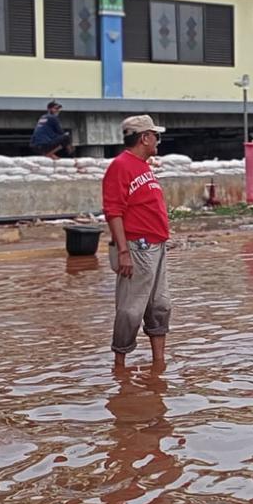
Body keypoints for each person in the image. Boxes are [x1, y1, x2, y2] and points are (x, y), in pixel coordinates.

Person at [103, 115, 171, 370]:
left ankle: (159, 363)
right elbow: (113, 211)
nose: (158, 141)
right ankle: (120, 363)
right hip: (136, 246)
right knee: (131, 310)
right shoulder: (121, 166)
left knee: (160, 304)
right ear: (144, 138)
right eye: (156, 136)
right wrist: (123, 251)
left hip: (158, 245)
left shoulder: (144, 167)